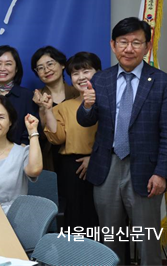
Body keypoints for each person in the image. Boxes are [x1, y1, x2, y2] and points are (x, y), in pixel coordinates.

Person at [76, 17, 167, 265]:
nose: (129, 48)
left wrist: (162, 173)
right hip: (107, 166)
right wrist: (87, 105)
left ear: (147, 46)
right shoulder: (101, 79)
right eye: (123, 42)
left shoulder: (163, 82)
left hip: (146, 170)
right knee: (110, 238)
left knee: (147, 241)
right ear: (113, 45)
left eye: (136, 42)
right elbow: (86, 120)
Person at [42, 52, 102, 230]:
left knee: (101, 217)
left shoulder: (109, 102)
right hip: (72, 169)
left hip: (102, 164)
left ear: (98, 73)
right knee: (75, 218)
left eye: (86, 71)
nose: (81, 77)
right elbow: (57, 138)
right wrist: (48, 110)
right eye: (75, 73)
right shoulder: (64, 107)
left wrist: (94, 158)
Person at [30, 46, 79, 171]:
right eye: (40, 68)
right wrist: (42, 109)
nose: (46, 70)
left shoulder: (78, 93)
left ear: (62, 65)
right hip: (48, 158)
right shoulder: (35, 98)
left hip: (77, 158)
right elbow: (39, 134)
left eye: (50, 64)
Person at [0, 45, 38, 145]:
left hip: (21, 151)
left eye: (8, 64)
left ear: (16, 69)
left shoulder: (27, 96)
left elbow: (33, 129)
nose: (2, 68)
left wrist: (20, 150)